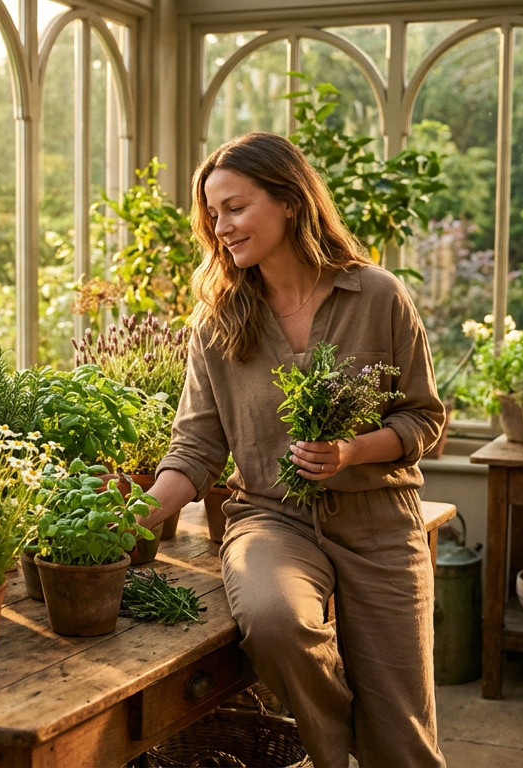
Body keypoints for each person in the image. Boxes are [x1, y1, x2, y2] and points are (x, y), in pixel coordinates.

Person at [142, 131, 446, 768]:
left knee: (405, 740)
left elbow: (424, 420)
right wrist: (131, 517)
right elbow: (196, 448)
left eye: (235, 207)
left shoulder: (379, 296)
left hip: (380, 521)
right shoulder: (219, 319)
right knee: (278, 623)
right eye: (213, 214)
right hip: (271, 520)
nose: (221, 227)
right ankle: (336, 758)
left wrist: (351, 451)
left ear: (289, 201)